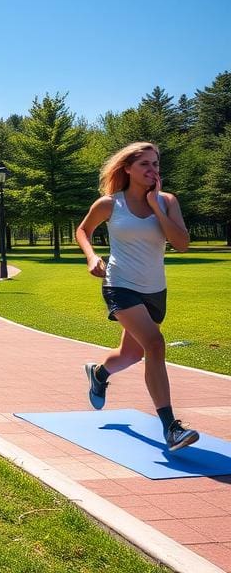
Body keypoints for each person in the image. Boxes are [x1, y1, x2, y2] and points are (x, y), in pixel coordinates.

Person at [76, 141, 198, 452]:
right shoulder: (109, 204)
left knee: (132, 354)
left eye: (156, 164)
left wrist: (156, 205)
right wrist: (91, 257)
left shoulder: (168, 201)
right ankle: (171, 427)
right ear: (127, 168)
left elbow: (182, 244)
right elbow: (83, 230)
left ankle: (99, 373)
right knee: (155, 343)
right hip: (120, 284)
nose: (152, 170)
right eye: (145, 164)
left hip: (155, 289)